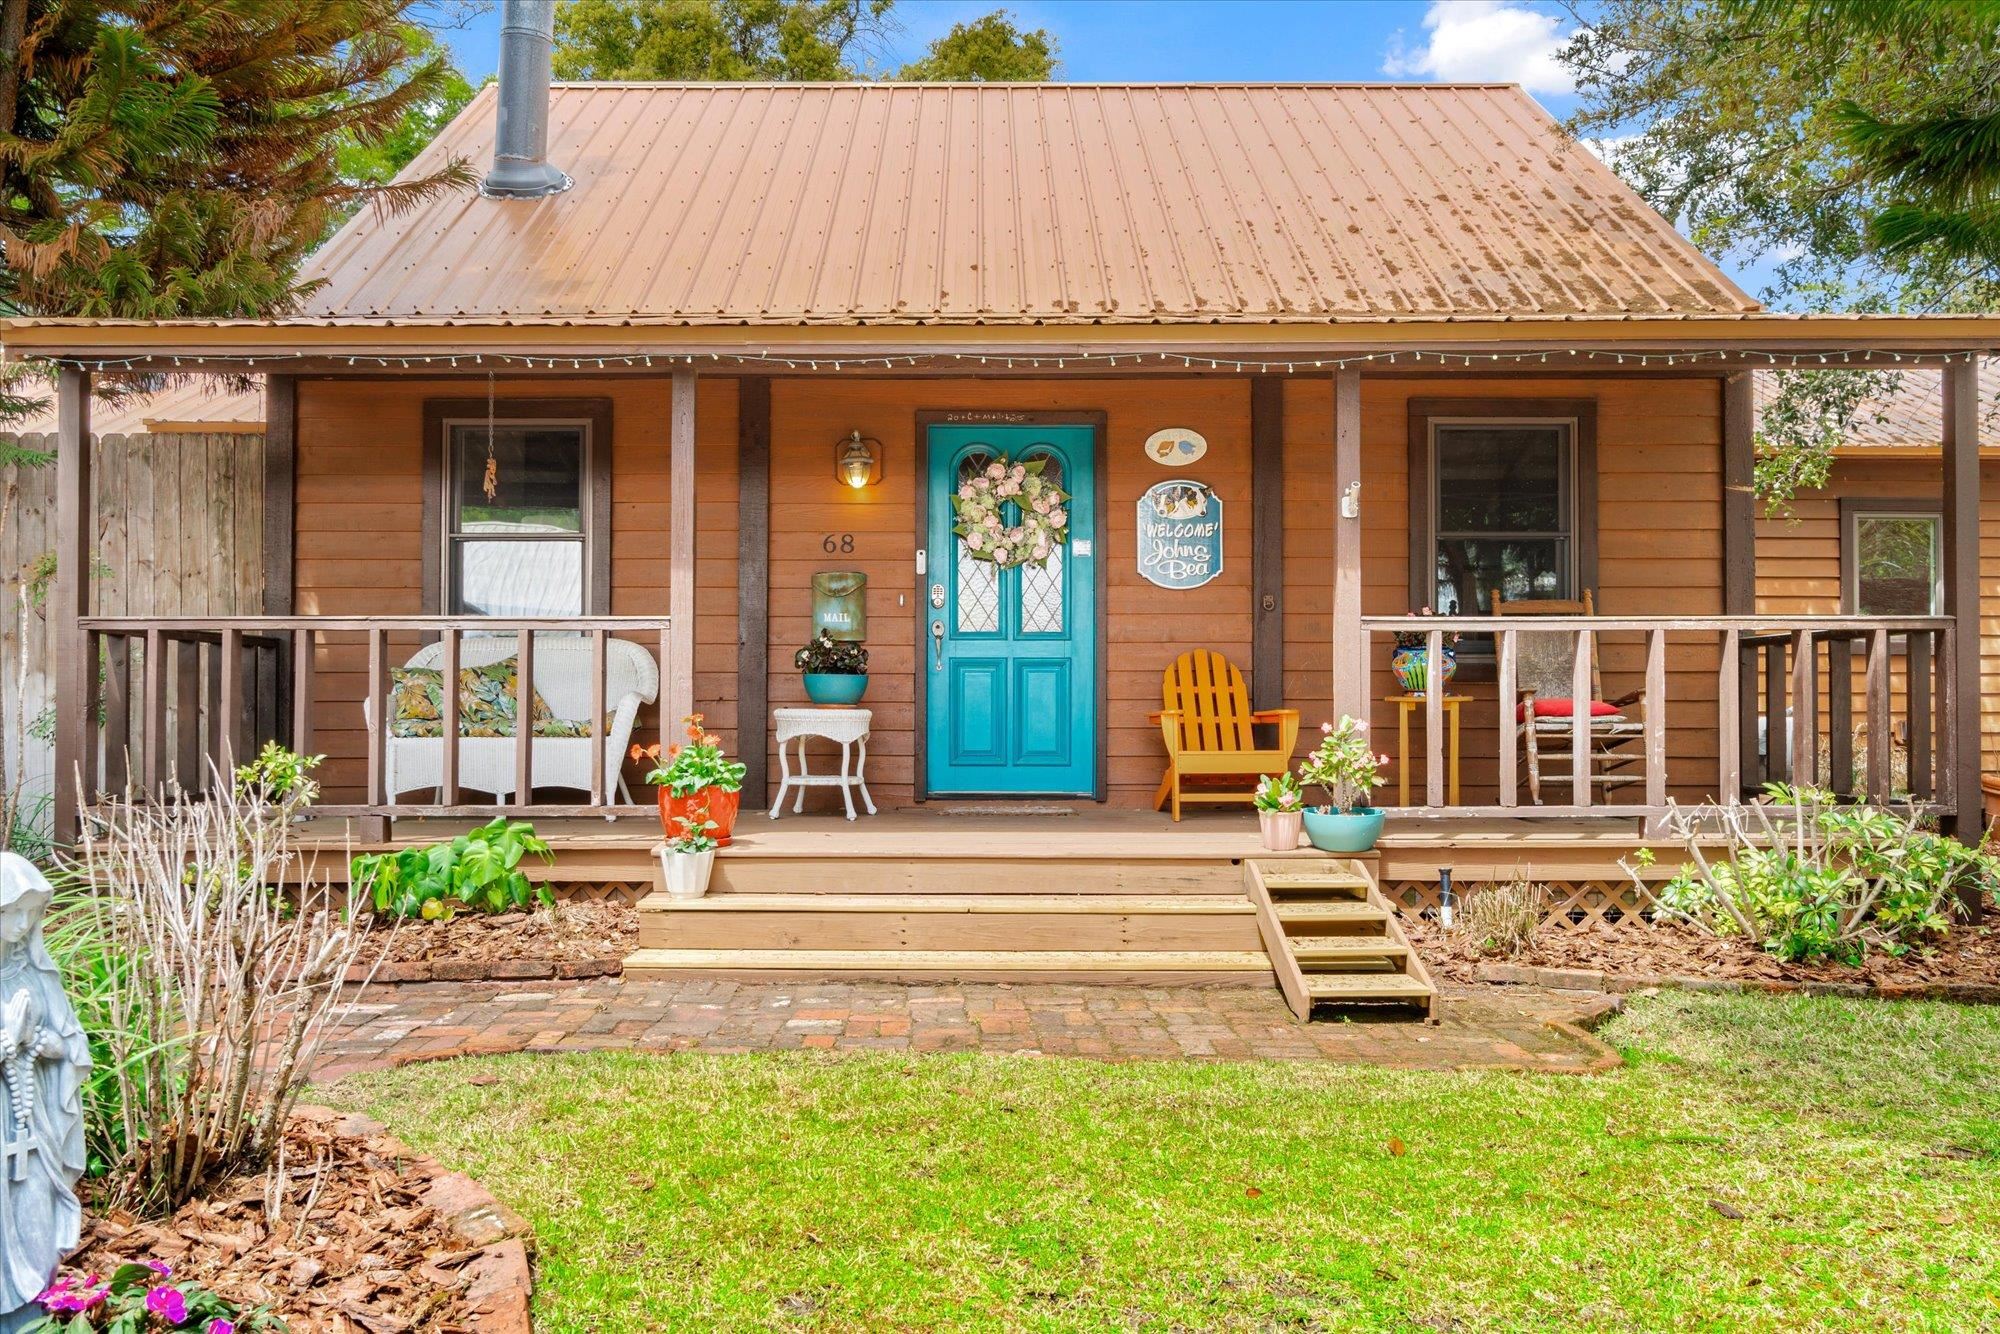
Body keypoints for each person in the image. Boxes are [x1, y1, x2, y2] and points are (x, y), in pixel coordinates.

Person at [0, 853, 87, 1330]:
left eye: (32, 913)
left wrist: (53, 1045)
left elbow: (72, 1040)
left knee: (34, 1207)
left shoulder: (35, 974)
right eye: (14, 911)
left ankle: (35, 1309)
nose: (24, 923)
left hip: (33, 1128)